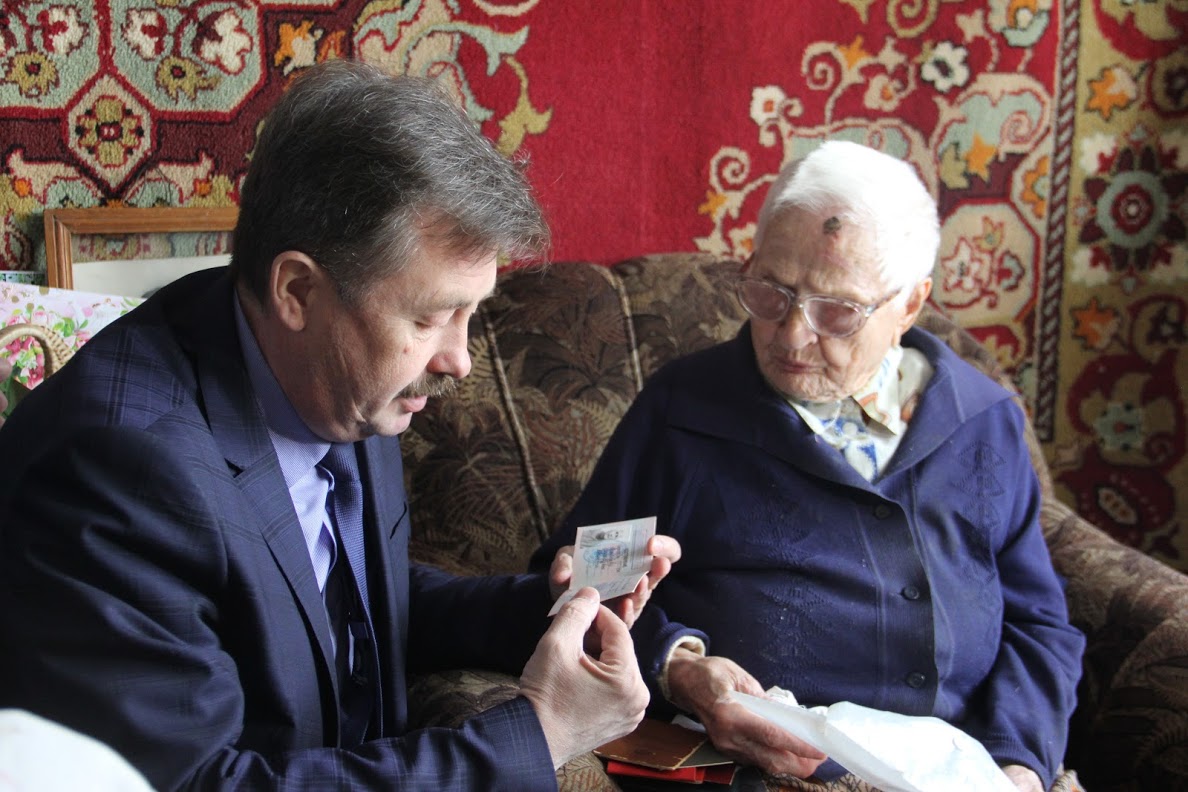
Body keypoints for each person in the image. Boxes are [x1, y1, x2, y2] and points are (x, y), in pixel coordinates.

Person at [0, 59, 681, 791]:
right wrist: (543, 735)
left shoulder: (331, 377)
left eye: (471, 312)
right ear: (297, 290)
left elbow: (337, 602)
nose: (460, 360)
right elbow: (200, 784)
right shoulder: (115, 469)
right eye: (430, 317)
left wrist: (548, 610)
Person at [532, 141, 1085, 792]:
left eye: (837, 311)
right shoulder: (683, 412)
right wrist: (679, 665)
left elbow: (1037, 623)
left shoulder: (982, 421)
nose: (792, 335)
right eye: (772, 291)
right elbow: (579, 585)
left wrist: (1020, 766)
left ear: (909, 305)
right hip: (755, 769)